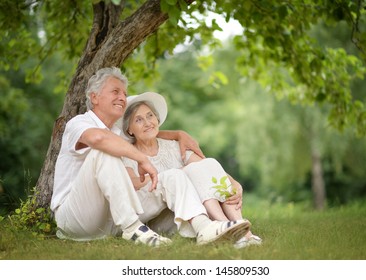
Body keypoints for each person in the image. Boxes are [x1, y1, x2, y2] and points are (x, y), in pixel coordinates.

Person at [50, 67, 250, 247]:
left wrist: (178, 134)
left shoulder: (118, 135)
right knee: (103, 150)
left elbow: (141, 132)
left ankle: (204, 227)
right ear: (94, 97)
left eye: (124, 93)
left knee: (173, 175)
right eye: (115, 91)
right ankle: (133, 229)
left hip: (110, 220)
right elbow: (99, 138)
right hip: (76, 217)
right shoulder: (79, 123)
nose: (122, 97)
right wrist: (141, 159)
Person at [120, 91, 262, 248]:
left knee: (209, 163)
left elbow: (208, 168)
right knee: (183, 171)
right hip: (161, 216)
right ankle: (228, 228)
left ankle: (244, 233)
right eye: (138, 120)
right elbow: (132, 183)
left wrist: (234, 183)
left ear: (157, 119)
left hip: (194, 211)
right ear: (129, 129)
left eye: (150, 116)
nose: (147, 122)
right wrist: (173, 173)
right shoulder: (128, 153)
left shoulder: (173, 146)